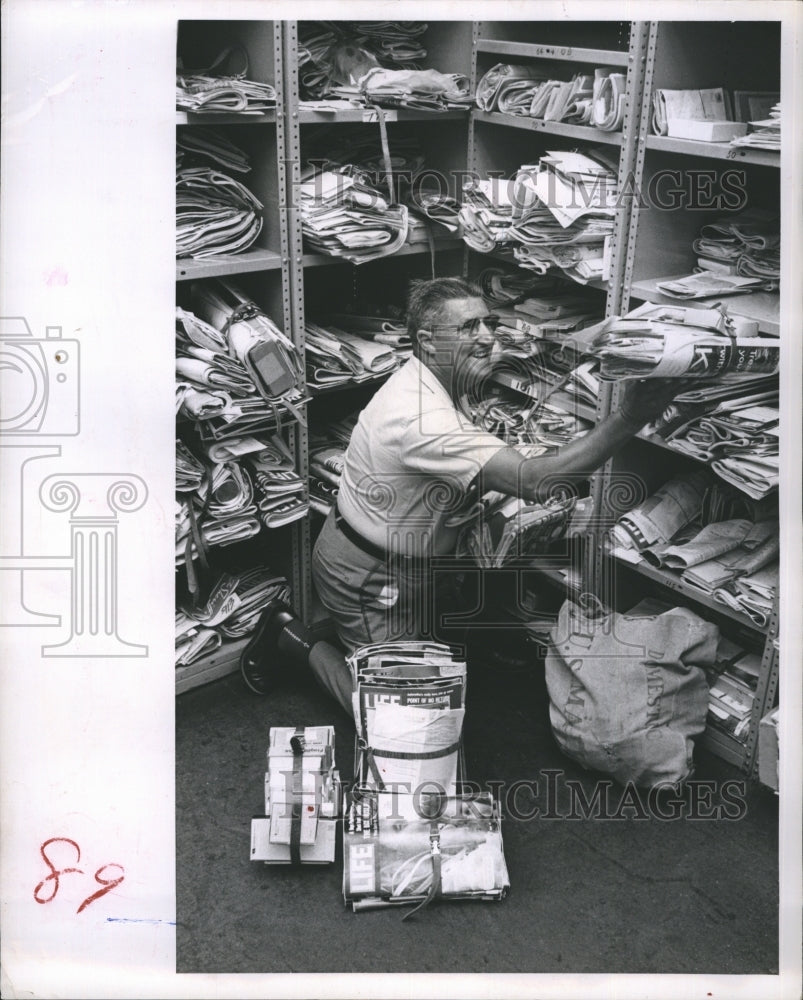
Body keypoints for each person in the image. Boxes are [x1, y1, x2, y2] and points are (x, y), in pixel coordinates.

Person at [240, 277, 685, 715]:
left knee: (427, 666)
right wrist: (629, 415)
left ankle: (406, 653)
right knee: (398, 719)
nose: (488, 338)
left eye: (488, 324)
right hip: (370, 579)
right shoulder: (421, 415)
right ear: (428, 342)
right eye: (469, 328)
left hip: (409, 567)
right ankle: (293, 638)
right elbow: (536, 481)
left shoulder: (438, 382)